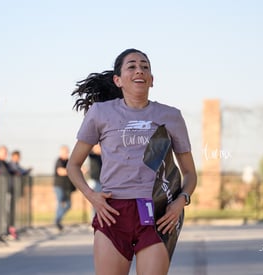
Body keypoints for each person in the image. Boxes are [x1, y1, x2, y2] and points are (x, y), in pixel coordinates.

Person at [67, 48, 197, 275]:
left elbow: (190, 173)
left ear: (152, 80)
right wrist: (92, 197)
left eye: (145, 67)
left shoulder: (171, 116)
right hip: (113, 212)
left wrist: (181, 201)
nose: (140, 70)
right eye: (132, 66)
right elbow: (73, 165)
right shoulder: (100, 113)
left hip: (158, 212)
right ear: (118, 80)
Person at [53, 145, 75, 231]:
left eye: (67, 152)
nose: (66, 154)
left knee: (68, 205)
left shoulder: (68, 161)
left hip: (67, 187)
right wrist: (71, 171)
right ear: (61, 152)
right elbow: (60, 171)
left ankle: (58, 219)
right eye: (65, 152)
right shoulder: (59, 161)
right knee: (60, 203)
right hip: (59, 186)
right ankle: (57, 221)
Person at [87, 144, 102, 218]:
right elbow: (88, 150)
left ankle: (98, 217)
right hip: (94, 181)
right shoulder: (93, 156)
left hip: (102, 182)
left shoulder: (103, 157)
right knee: (95, 201)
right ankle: (93, 218)